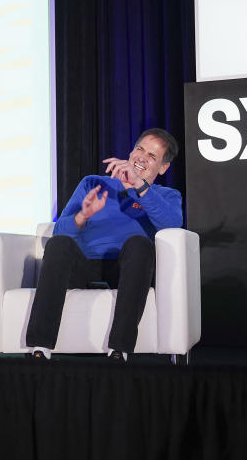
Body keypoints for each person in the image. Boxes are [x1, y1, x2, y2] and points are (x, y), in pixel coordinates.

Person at [24, 128, 183, 361]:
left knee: (140, 244)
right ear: (130, 151)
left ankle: (119, 349)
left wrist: (138, 186)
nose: (141, 157)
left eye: (152, 156)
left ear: (162, 168)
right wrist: (82, 216)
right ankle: (39, 348)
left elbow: (172, 223)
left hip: (126, 270)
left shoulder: (166, 195)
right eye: (140, 149)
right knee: (59, 245)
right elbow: (59, 232)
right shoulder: (93, 183)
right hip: (83, 266)